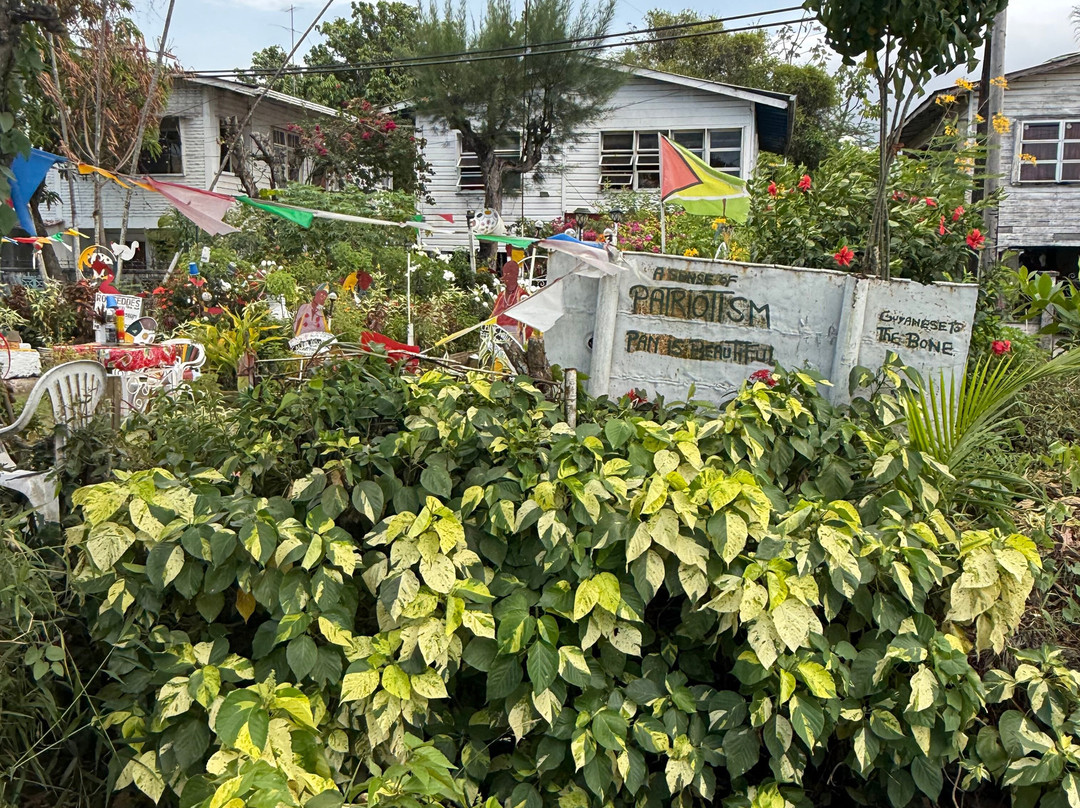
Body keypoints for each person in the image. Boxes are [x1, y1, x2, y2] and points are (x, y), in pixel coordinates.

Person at [490, 259, 531, 346]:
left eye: (510, 275)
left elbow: (528, 322)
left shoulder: (522, 295)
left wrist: (523, 337)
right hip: (499, 333)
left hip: (516, 336)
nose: (507, 279)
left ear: (515, 276)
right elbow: (493, 317)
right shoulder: (501, 295)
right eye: (505, 275)